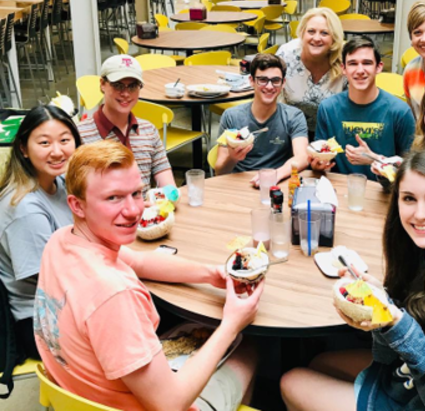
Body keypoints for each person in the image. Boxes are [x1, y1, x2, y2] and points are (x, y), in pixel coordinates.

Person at [34, 141, 263, 411]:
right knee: (250, 349)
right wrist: (231, 324)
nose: (133, 210)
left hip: (78, 393)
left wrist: (210, 273)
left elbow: (139, 261)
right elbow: (169, 404)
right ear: (77, 205)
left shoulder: (61, 240)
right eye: (113, 198)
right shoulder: (114, 293)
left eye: (137, 193)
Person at [281, 150, 425, 411]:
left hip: (424, 402)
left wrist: (396, 321)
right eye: (409, 199)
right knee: (319, 362)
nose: (420, 214)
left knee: (291, 381)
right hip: (407, 383)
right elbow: (403, 343)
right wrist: (382, 304)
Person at [0, 105, 81, 360]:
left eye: (65, 140)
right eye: (44, 143)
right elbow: (49, 280)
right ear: (23, 148)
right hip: (40, 321)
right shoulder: (23, 207)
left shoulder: (58, 182)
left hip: (70, 298)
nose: (57, 151)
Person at [311, 37, 415, 179]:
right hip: (340, 191)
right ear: (344, 69)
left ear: (378, 67)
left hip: (383, 192)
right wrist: (318, 165)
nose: (360, 70)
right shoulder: (328, 108)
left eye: (367, 63)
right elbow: (319, 157)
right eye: (353, 64)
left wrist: (374, 159)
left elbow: (412, 168)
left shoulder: (400, 112)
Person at [77, 55, 175, 195]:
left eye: (133, 86)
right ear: (102, 84)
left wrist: (166, 199)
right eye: (118, 85)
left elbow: (168, 185)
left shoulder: (148, 130)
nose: (125, 93)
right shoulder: (81, 134)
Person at [215, 53, 309, 185]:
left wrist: (276, 174)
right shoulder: (232, 116)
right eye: (262, 80)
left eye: (275, 80)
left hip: (278, 182)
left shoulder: (294, 116)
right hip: (240, 183)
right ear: (251, 81)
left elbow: (303, 157)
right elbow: (220, 171)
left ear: (283, 83)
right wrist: (232, 158)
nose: (269, 86)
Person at [276, 7, 345, 138]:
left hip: (333, 133)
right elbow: (272, 95)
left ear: (334, 38)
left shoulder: (346, 60)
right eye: (311, 31)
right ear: (302, 34)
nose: (317, 38)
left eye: (324, 33)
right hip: (289, 131)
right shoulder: (286, 55)